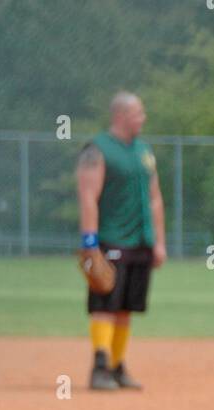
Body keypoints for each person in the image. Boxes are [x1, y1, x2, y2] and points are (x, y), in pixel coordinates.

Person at [76, 91, 166, 391]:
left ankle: (116, 365)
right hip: (110, 239)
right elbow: (88, 196)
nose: (143, 118)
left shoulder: (143, 151)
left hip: (140, 240)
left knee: (127, 306)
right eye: (138, 113)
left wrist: (158, 242)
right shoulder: (98, 150)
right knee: (105, 302)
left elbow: (155, 198)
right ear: (120, 116)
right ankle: (99, 367)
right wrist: (90, 243)